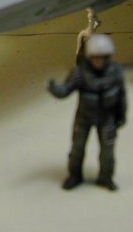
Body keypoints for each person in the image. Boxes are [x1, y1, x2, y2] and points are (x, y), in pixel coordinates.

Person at [48, 34, 127, 191]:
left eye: (102, 58)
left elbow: (121, 96)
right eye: (95, 58)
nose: (98, 61)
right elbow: (65, 91)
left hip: (107, 118)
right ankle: (74, 176)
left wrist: (121, 116)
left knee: (107, 153)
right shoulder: (80, 73)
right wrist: (54, 88)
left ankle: (106, 178)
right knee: (77, 149)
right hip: (84, 118)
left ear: (108, 57)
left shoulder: (116, 73)